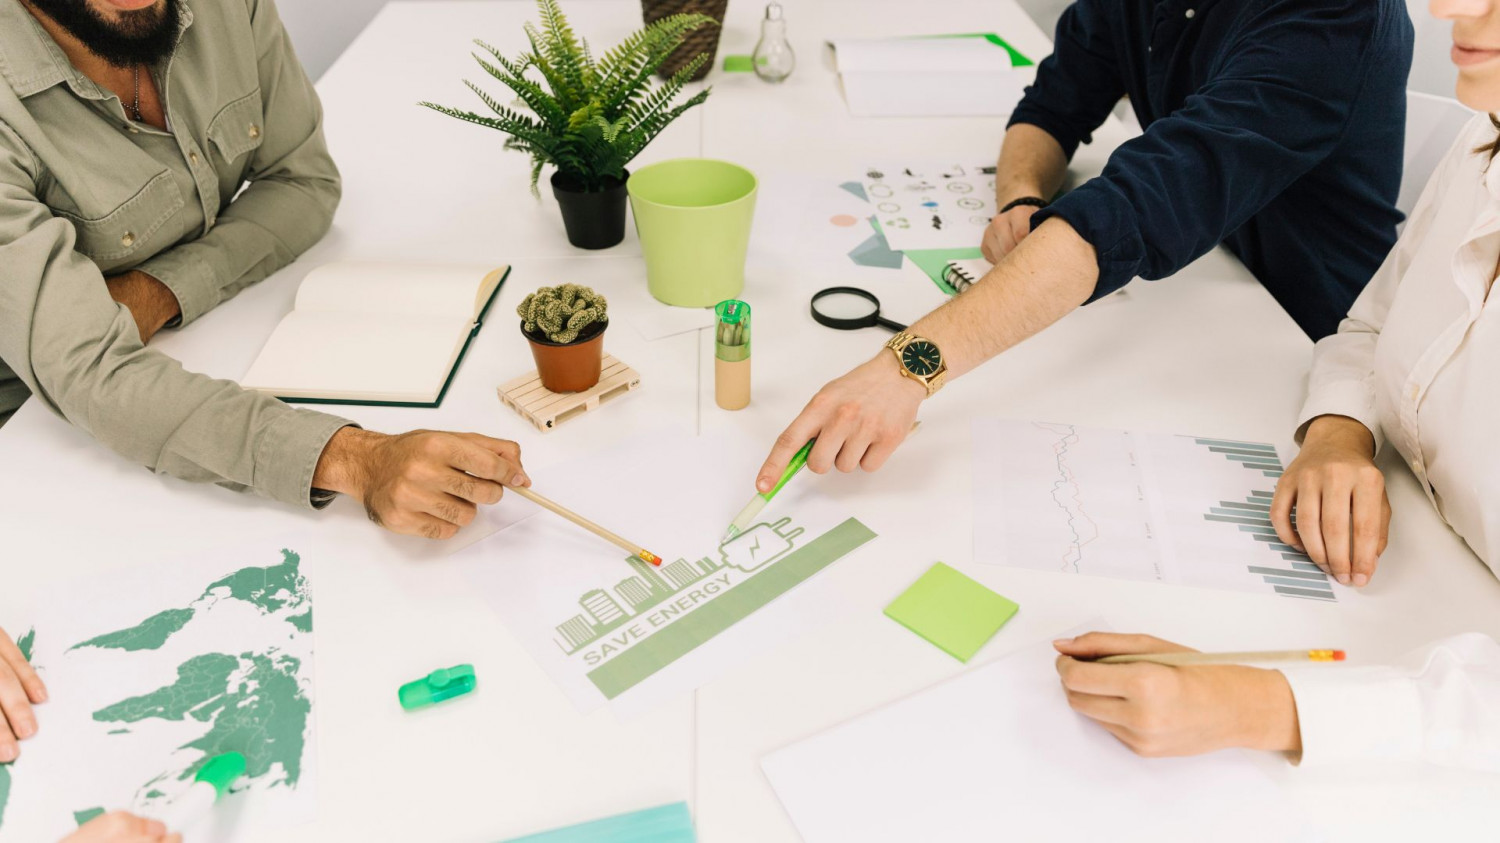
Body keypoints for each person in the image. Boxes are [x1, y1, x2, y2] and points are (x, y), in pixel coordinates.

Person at [1056, 0, 1500, 770]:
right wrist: (1339, 433)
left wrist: (1263, 706)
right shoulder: (1482, 142)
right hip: (1409, 583)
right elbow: (1371, 328)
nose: (1447, 7)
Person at [754, 0, 1412, 493]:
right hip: (1195, 300)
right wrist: (1020, 199)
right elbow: (1052, 106)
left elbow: (1137, 205)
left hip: (1313, 355)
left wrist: (907, 368)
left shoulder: (1334, 17)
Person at [0, 0, 529, 543]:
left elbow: (302, 183)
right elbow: (89, 369)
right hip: (31, 443)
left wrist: (161, 291)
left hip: (187, 353)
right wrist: (359, 459)